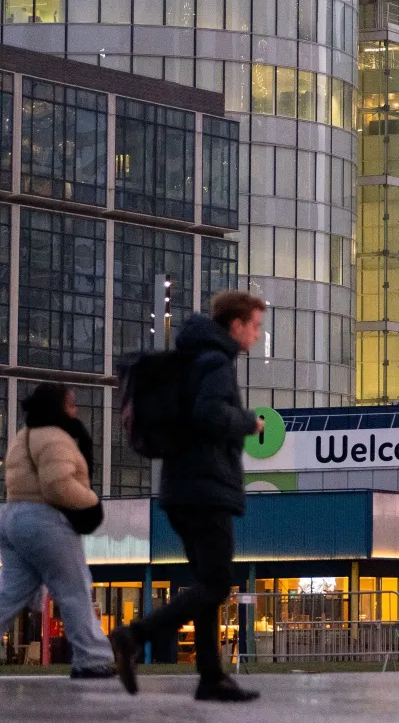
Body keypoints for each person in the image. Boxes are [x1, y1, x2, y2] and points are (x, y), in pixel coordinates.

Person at [110, 291, 266, 703]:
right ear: (235, 325)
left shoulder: (195, 358)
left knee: (206, 585)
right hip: (206, 489)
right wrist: (250, 422)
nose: (257, 333)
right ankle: (135, 635)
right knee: (216, 584)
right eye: (255, 324)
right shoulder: (216, 362)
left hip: (182, 488)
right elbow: (210, 415)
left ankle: (210, 677)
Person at [1, 383, 115, 680]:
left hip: (12, 516)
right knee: (75, 588)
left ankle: (92, 656)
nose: (75, 410)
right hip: (44, 520)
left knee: (9, 594)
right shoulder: (55, 438)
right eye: (71, 404)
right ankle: (93, 659)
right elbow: (56, 485)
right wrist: (92, 502)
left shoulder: (22, 436)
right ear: (58, 406)